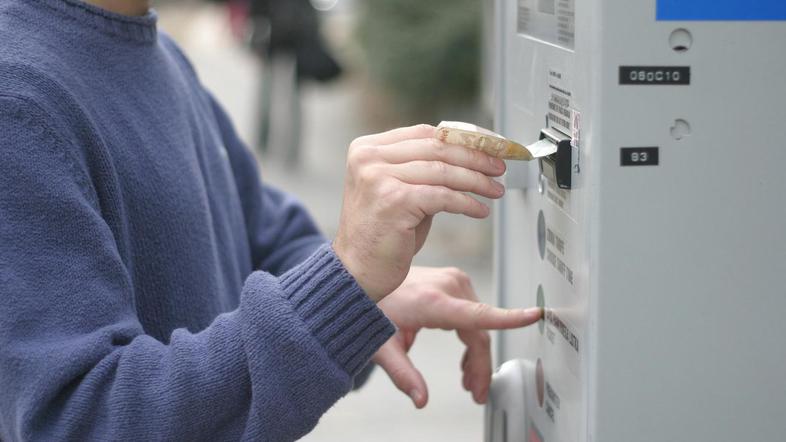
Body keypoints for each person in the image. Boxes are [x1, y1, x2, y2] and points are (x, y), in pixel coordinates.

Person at [0, 0, 541, 441]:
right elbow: (81, 420)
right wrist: (343, 280)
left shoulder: (156, 50)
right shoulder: (18, 100)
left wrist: (358, 296)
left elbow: (265, 235)